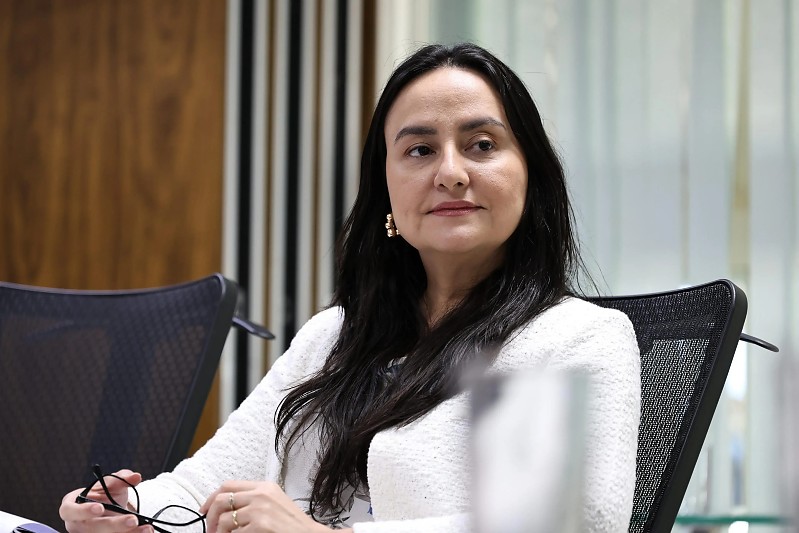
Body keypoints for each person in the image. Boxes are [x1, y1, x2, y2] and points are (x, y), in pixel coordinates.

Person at [60, 42, 640, 533]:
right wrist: (125, 509)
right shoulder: (336, 335)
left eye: (482, 144)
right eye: (419, 150)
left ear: (531, 175)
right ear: (386, 189)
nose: (451, 172)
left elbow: (551, 524)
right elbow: (203, 486)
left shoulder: (567, 338)